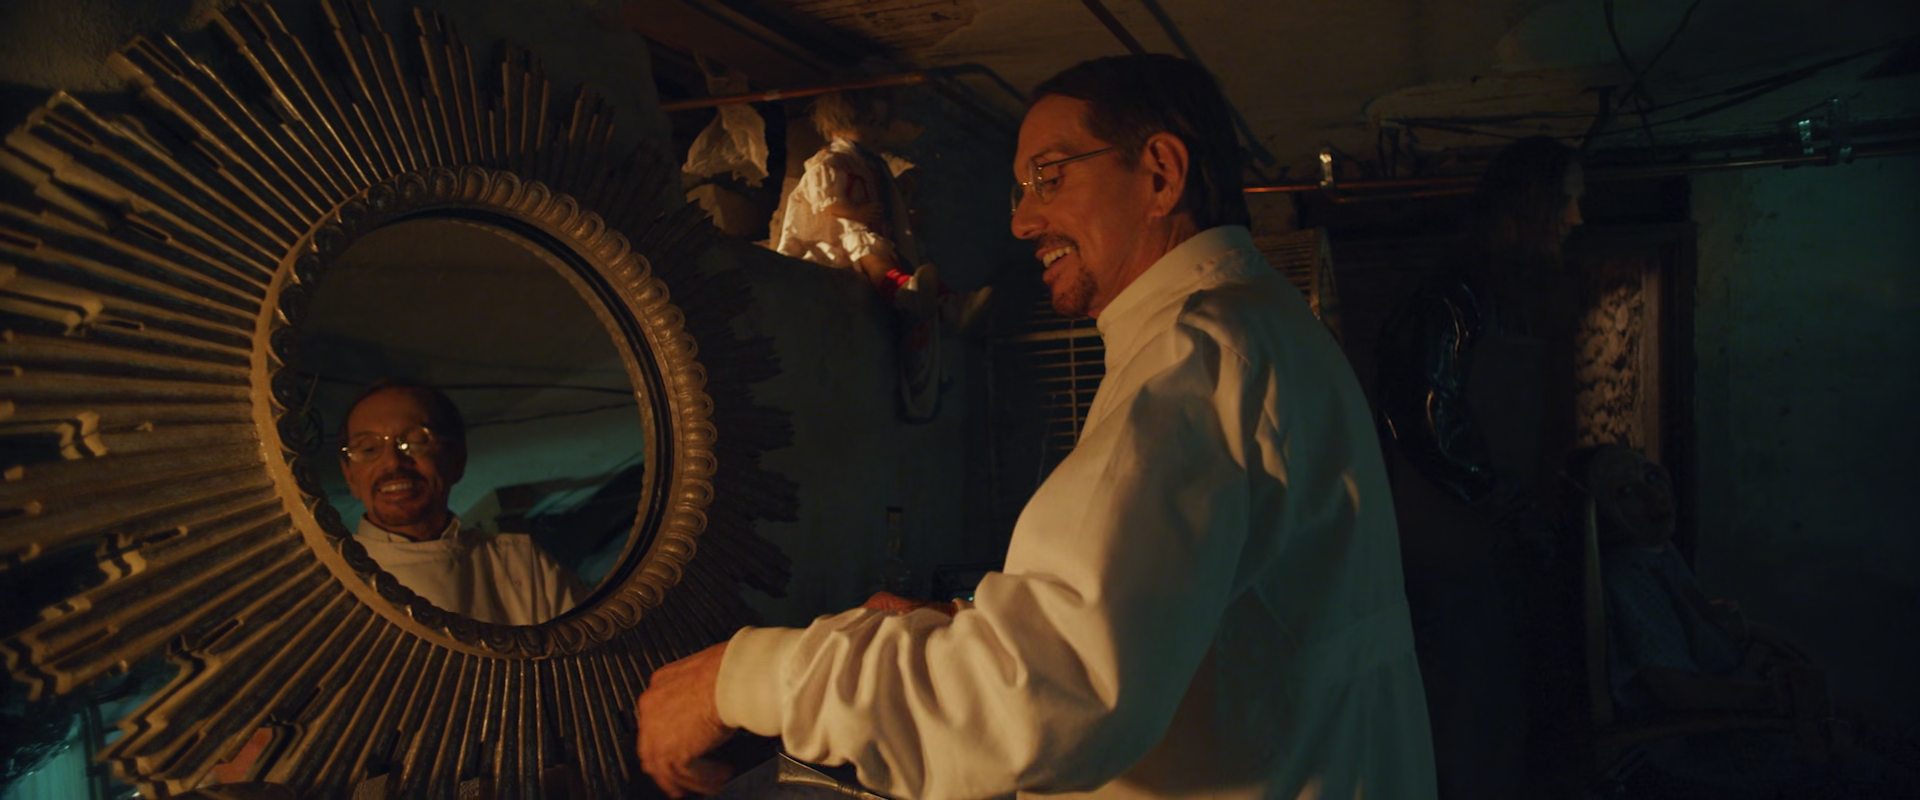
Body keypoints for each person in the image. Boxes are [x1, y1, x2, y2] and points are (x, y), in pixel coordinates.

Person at [636, 55, 1435, 799]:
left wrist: (739, 678)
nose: (1023, 222)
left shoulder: (1196, 355)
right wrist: (959, 626)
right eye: (1022, 189)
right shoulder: (1257, 325)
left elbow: (1051, 692)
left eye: (1048, 178)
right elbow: (1195, 621)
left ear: (1160, 175)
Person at [1371, 135, 1586, 799]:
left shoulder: (1498, 297)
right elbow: (1424, 419)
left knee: (1493, 701)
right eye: (1567, 200)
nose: (1577, 217)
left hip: (1483, 539)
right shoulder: (1451, 296)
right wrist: (1503, 502)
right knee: (1461, 704)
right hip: (1450, 541)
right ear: (1531, 204)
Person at [1580, 444, 1916, 799]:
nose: (1654, 495)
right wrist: (1790, 702)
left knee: (1881, 731)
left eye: (1651, 477)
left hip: (1741, 710)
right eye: (1626, 491)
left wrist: (1753, 630)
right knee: (1878, 771)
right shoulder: (1628, 574)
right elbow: (1677, 690)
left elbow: (1687, 621)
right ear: (1601, 513)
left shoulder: (1656, 551)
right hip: (1707, 743)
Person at [773, 92, 990, 422]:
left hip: (878, 235)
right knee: (876, 262)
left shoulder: (871, 162)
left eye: (879, 123)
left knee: (908, 264)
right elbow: (825, 202)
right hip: (848, 236)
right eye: (870, 123)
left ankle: (950, 305)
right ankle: (905, 294)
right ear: (840, 126)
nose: (878, 131)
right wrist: (855, 211)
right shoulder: (830, 161)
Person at [337, 380, 585, 626]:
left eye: (415, 442)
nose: (392, 462)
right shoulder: (332, 582)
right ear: (350, 477)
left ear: (456, 459)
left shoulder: (522, 565)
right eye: (368, 449)